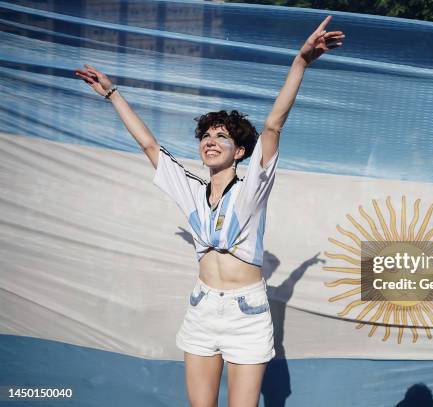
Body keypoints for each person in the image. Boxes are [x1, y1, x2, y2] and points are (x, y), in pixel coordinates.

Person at [75, 16, 344, 407]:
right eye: (205, 136)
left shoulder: (253, 186)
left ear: (240, 151)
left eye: (222, 135)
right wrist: (112, 93)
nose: (210, 141)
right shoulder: (191, 190)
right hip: (202, 309)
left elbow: (272, 128)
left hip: (246, 314)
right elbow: (151, 146)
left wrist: (300, 62)